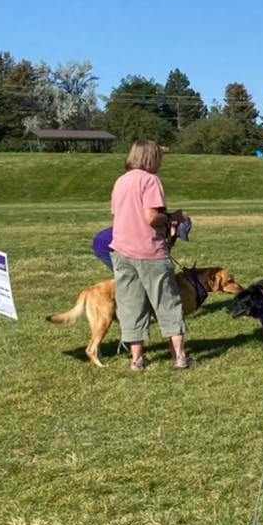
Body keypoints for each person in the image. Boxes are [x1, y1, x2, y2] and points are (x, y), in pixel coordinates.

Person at [109, 140, 191, 370]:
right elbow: (151, 217)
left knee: (130, 304)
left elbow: (116, 213)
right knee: (167, 303)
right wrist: (172, 217)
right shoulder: (150, 180)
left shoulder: (121, 181)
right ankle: (180, 356)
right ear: (151, 158)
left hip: (122, 250)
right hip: (149, 251)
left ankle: (137, 359)